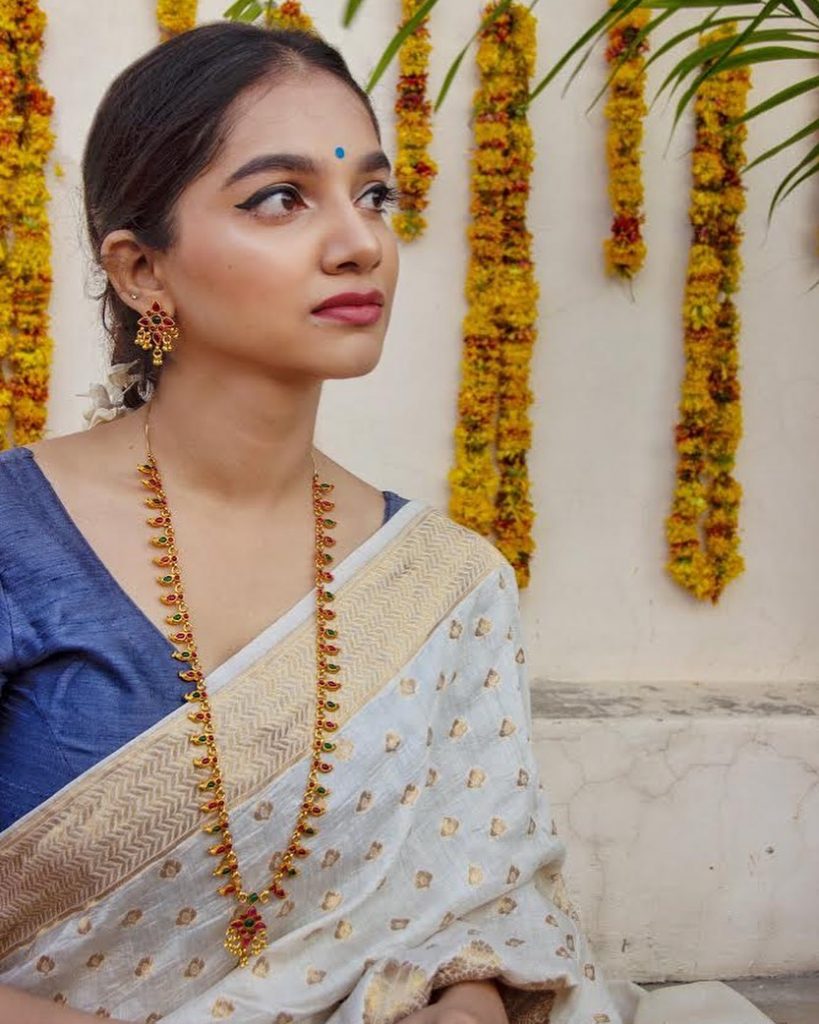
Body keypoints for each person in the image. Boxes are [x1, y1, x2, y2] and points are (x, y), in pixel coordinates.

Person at [0, 21, 773, 1024]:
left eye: (374, 194)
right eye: (281, 198)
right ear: (143, 269)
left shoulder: (447, 585)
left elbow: (490, 910)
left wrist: (469, 1006)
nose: (361, 240)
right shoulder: (19, 541)